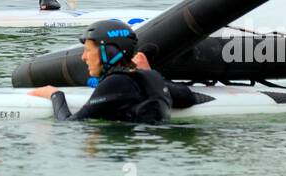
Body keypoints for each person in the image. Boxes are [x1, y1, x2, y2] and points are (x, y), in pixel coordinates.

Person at [27, 19, 199, 122]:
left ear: (108, 52)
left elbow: (70, 123)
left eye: (88, 50)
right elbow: (188, 97)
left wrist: (56, 95)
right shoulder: (147, 77)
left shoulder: (115, 82)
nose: (83, 57)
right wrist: (149, 74)